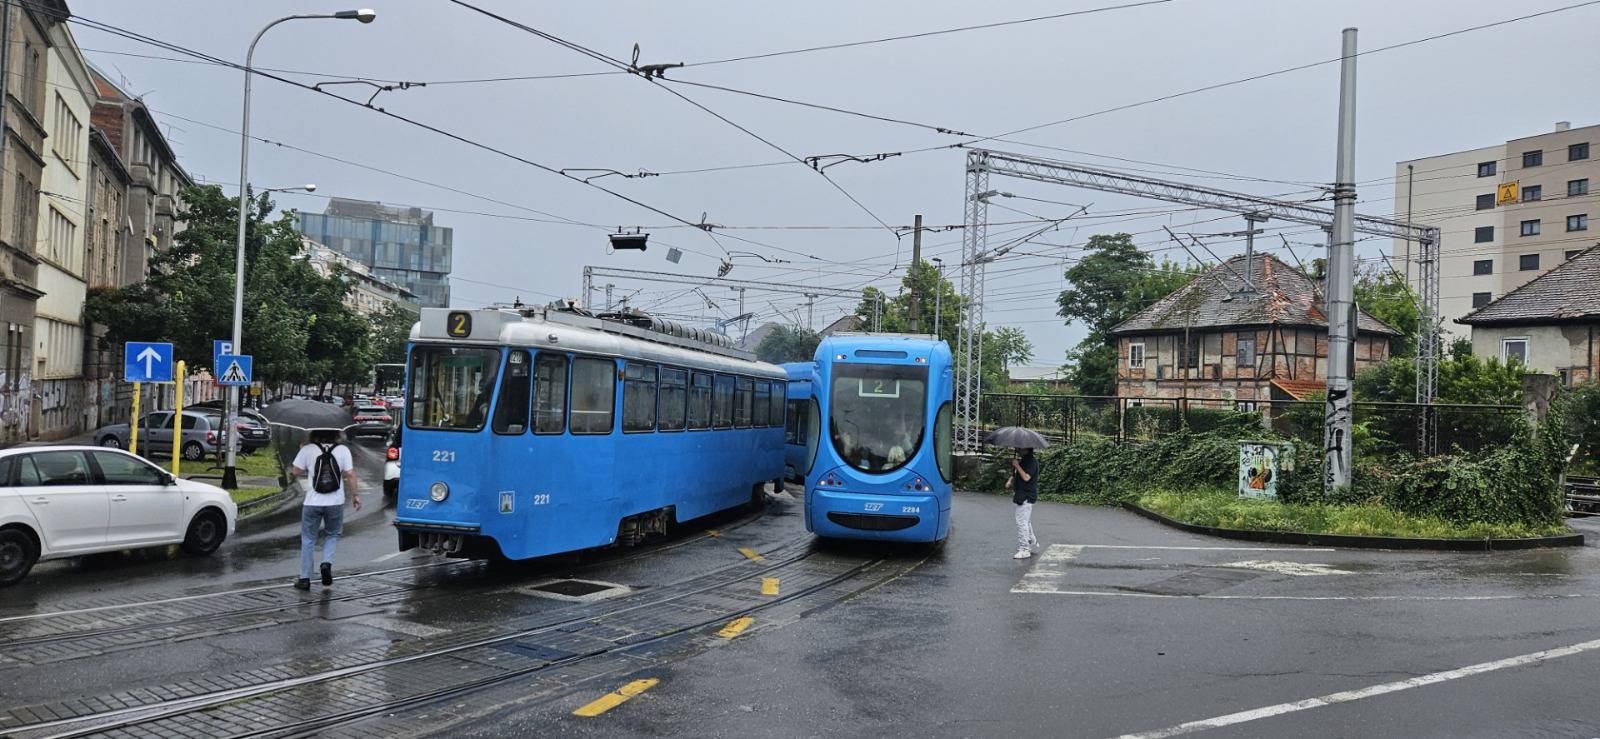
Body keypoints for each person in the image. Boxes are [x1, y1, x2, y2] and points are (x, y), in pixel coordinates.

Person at [291, 428, 360, 590]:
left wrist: (302, 451)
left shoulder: (307, 449)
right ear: (336, 434)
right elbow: (350, 474)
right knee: (333, 534)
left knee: (308, 539)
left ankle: (305, 578)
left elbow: (295, 471)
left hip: (312, 502)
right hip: (335, 501)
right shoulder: (343, 450)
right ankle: (326, 563)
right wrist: (356, 495)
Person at [1004, 447, 1041, 559]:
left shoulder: (1031, 462)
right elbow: (1016, 474)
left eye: (1020, 447)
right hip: (1021, 495)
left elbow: (1026, 477)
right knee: (1026, 521)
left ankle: (1024, 549)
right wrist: (1010, 480)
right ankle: (1031, 541)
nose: (1018, 449)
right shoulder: (1024, 460)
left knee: (1021, 522)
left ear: (1027, 448)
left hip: (1027, 496)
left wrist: (1017, 465)